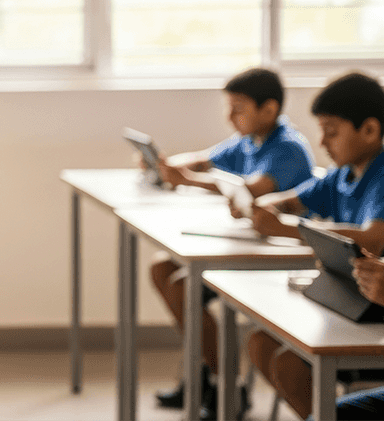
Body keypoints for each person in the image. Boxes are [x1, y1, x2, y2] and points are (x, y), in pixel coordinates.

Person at [147, 68, 315, 416]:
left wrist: (188, 179)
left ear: (268, 110)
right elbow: (206, 158)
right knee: (162, 267)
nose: (230, 116)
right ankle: (204, 376)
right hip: (250, 243)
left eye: (239, 108)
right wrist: (167, 165)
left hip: (283, 255)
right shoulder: (248, 140)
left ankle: (227, 387)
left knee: (183, 285)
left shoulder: (288, 148)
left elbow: (253, 190)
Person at [245, 71, 384, 420]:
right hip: (349, 298)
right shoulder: (342, 174)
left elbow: (373, 239)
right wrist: (271, 206)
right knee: (262, 342)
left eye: (332, 131)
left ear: (369, 130)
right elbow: (293, 201)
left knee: (289, 359)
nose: (322, 142)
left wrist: (289, 227)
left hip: (370, 314)